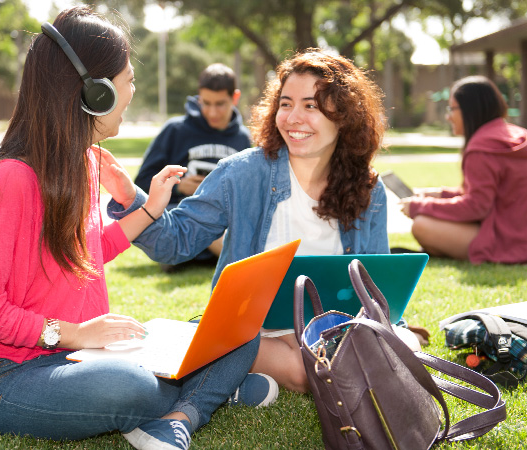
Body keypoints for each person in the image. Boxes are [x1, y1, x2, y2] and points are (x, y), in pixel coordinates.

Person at [0, 7, 277, 450]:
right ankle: (203, 393)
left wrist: (148, 208)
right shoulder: (8, 180)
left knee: (235, 328)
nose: (133, 91)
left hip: (84, 357)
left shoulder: (84, 161)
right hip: (13, 375)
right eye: (129, 79)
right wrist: (76, 333)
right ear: (95, 93)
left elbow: (85, 252)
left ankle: (188, 398)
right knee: (130, 386)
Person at [109, 50, 404, 393]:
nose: (294, 118)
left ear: (344, 115)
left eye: (311, 106)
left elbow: (375, 289)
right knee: (303, 371)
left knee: (378, 356)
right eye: (286, 103)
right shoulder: (243, 172)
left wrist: (392, 329)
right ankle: (213, 354)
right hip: (251, 330)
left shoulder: (369, 188)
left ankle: (234, 376)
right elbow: (175, 243)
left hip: (328, 331)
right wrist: (132, 197)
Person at [397, 75, 527, 264]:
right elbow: (488, 195)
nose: (448, 116)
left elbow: (476, 207)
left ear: (470, 110)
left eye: (451, 109)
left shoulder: (482, 147)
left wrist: (419, 206)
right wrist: (439, 194)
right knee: (427, 219)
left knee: (421, 225)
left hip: (509, 243)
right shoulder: (504, 135)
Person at [134, 63, 251, 271]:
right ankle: (236, 262)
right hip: (183, 215)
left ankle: (216, 255)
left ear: (235, 98)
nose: (212, 112)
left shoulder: (244, 138)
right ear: (198, 97)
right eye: (206, 103)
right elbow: (141, 184)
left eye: (220, 104)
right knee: (185, 219)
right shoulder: (175, 130)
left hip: (226, 220)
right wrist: (178, 187)